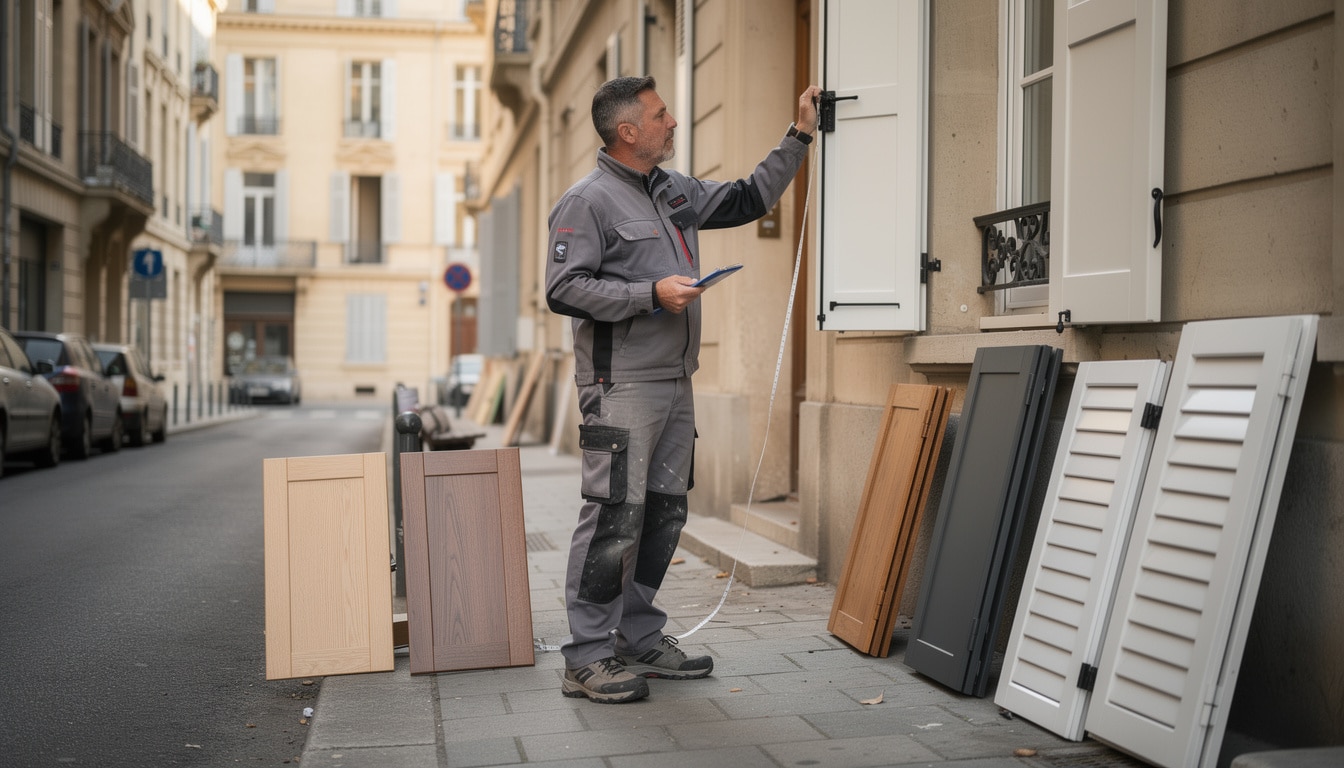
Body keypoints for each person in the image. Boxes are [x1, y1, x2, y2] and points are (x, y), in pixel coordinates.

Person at [545, 76, 820, 703]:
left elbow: (749, 198)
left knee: (663, 512)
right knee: (614, 516)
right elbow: (564, 288)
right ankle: (586, 657)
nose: (671, 122)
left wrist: (800, 134)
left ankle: (637, 637)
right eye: (660, 115)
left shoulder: (672, 190)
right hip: (620, 384)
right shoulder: (586, 202)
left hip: (675, 381)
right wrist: (650, 294)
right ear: (628, 131)